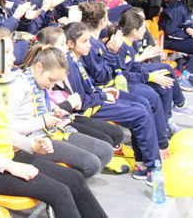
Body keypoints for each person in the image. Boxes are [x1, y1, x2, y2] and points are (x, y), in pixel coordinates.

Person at [0, 28, 109, 218]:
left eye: (12, 51)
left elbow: (3, 130)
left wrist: (31, 145)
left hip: (5, 158)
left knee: (74, 179)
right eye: (6, 52)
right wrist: (11, 166)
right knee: (59, 192)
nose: (13, 57)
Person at [62, 20, 164, 181]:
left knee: (142, 106)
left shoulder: (78, 58)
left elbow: (91, 86)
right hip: (88, 109)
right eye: (84, 41)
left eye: (89, 40)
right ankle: (151, 167)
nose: (89, 45)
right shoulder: (70, 64)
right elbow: (81, 102)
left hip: (96, 98)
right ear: (70, 44)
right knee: (140, 114)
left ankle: (143, 162)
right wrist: (103, 95)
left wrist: (102, 92)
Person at [8, 44, 114, 179]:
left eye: (56, 82)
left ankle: (73, 182)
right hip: (32, 140)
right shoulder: (18, 85)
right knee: (90, 164)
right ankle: (71, 182)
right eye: (51, 80)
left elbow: (38, 106)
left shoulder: (38, 81)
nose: (52, 85)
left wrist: (54, 109)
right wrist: (43, 121)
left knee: (105, 151)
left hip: (49, 131)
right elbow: (7, 127)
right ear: (39, 67)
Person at [160, 0, 193, 77]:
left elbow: (191, 24)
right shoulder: (176, 9)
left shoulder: (191, 8)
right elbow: (170, 32)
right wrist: (190, 34)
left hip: (183, 37)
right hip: (170, 40)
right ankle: (187, 74)